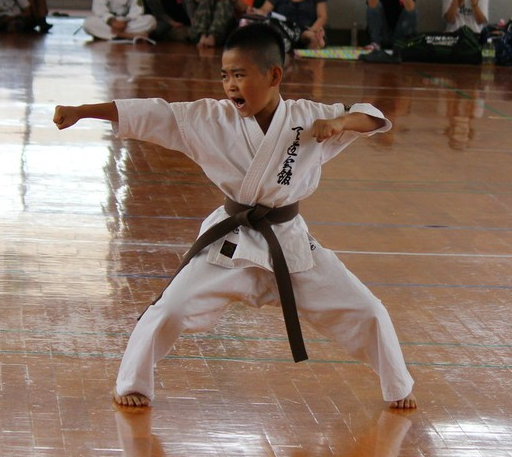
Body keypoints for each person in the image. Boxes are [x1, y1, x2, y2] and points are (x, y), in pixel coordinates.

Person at [53, 22, 417, 411]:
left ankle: (398, 386)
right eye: (225, 75)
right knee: (170, 308)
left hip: (289, 243)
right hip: (232, 243)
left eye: (240, 75)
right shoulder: (209, 119)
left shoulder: (309, 118)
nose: (229, 85)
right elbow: (153, 113)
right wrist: (82, 112)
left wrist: (341, 123)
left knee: (367, 309)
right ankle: (133, 383)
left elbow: (371, 116)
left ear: (274, 75)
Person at [253, 0, 327, 49]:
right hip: (286, 30)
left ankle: (314, 39)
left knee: (308, 35)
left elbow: (322, 17)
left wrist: (312, 30)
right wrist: (254, 11)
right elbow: (264, 11)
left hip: (309, 29)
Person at [83, 0, 157, 41]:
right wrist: (112, 21)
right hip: (108, 22)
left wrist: (125, 21)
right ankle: (127, 35)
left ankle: (116, 35)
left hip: (127, 23)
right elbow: (99, 9)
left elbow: (136, 10)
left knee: (151, 20)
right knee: (88, 24)